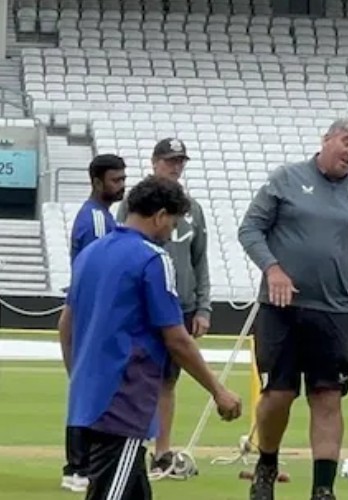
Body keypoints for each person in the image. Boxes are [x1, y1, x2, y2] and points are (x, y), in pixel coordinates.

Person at [57, 175, 242, 500]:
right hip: (124, 400)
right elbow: (176, 338)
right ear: (160, 216)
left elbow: (65, 325)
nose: (171, 232)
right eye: (172, 222)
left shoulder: (90, 254)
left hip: (88, 398)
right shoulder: (153, 259)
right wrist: (218, 390)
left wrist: (80, 376)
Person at [238, 118, 348, 500]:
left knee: (327, 397)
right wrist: (273, 269)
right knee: (278, 395)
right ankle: (267, 464)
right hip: (281, 308)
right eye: (347, 142)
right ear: (327, 140)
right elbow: (250, 229)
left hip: (335, 313)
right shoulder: (286, 179)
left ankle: (323, 488)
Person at [116, 138, 211, 479]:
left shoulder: (192, 209)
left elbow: (200, 260)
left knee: (167, 382)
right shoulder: (133, 205)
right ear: (155, 162)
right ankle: (128, 447)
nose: (175, 167)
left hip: (180, 305)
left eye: (180, 161)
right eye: (170, 161)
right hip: (142, 304)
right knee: (135, 376)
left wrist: (203, 307)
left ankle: (162, 452)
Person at [61, 153, 127, 493]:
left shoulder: (98, 216)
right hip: (93, 313)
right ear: (97, 181)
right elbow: (101, 269)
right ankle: (79, 466)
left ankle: (80, 465)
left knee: (87, 385)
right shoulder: (98, 220)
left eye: (123, 179)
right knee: (91, 387)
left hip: (85, 310)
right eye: (116, 180)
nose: (121, 186)